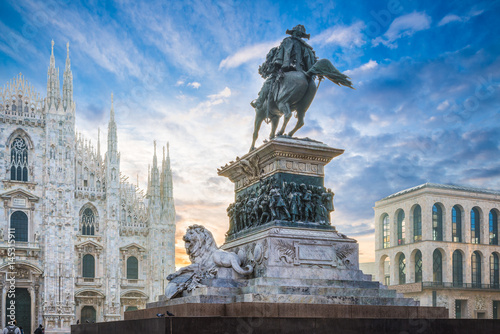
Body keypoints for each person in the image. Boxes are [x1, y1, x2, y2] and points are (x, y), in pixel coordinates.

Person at [251, 24, 317, 113]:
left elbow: (281, 56)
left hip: (285, 68)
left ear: (293, 33)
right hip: (300, 70)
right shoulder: (305, 47)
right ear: (301, 35)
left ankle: (259, 102)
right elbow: (308, 59)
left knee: (269, 81)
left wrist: (277, 65)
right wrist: (311, 73)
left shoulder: (287, 40)